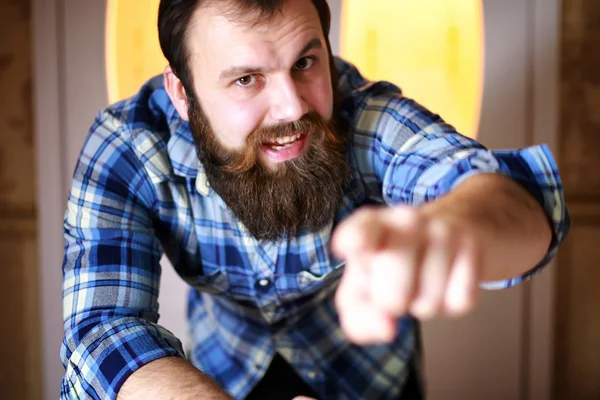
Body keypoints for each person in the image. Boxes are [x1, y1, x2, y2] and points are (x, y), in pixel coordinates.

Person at [59, 0, 570, 399]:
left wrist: (455, 228)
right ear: (182, 92)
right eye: (246, 78)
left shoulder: (365, 114)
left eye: (305, 61)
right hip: (218, 377)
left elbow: (511, 198)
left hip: (372, 380)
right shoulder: (128, 144)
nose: (293, 106)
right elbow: (102, 329)